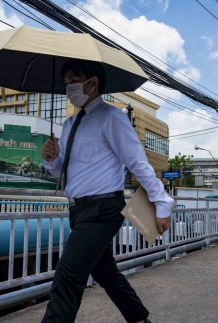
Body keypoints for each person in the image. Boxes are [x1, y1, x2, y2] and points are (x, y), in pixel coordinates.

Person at [41, 59, 174, 323]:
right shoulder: (69, 125)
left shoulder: (112, 117)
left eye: (74, 81)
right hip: (78, 209)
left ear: (92, 83)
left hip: (103, 209)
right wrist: (51, 159)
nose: (69, 87)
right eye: (66, 82)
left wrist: (161, 203)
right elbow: (63, 171)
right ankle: (139, 319)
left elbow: (137, 161)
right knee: (104, 271)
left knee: (67, 277)